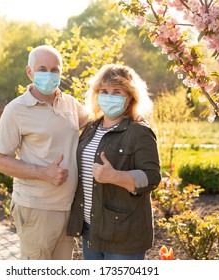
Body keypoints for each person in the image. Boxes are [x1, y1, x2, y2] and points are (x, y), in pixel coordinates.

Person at [0, 45, 89, 260]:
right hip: (36, 208)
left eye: (55, 70)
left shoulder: (71, 104)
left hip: (69, 208)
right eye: (42, 69)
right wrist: (44, 173)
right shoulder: (16, 110)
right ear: (29, 72)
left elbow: (98, 123)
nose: (49, 74)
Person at [67, 64, 161, 260]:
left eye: (117, 91)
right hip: (90, 229)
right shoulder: (92, 127)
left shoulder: (139, 131)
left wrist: (115, 176)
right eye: (104, 91)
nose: (109, 96)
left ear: (130, 97)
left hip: (123, 235)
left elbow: (152, 177)